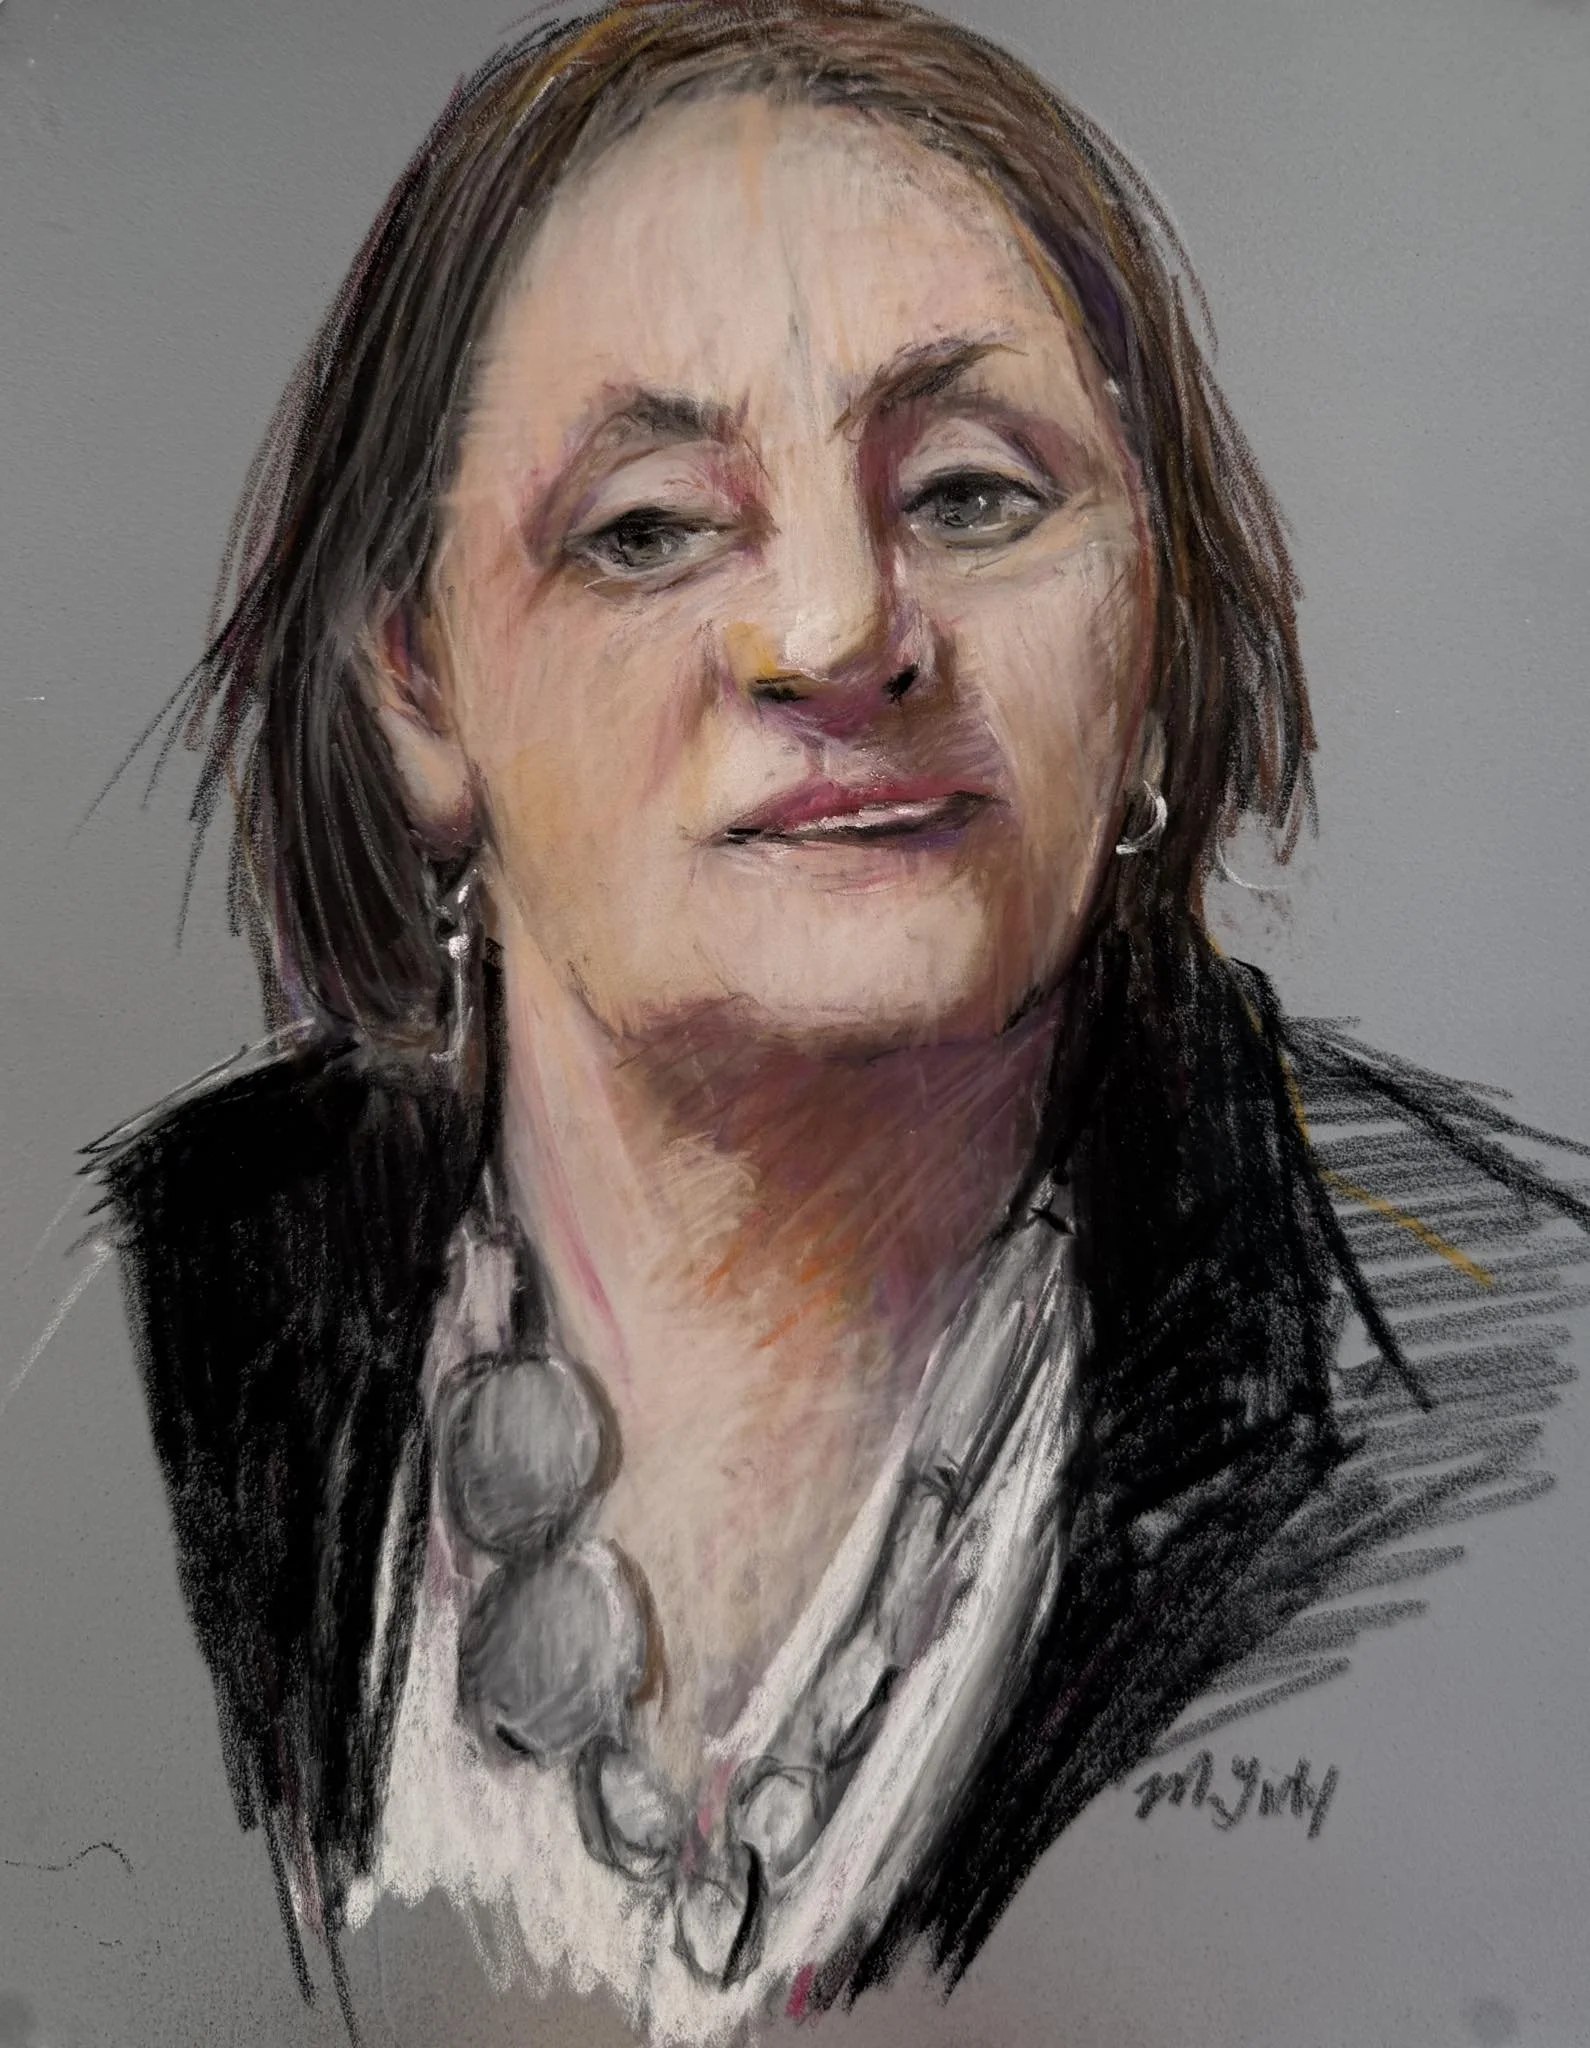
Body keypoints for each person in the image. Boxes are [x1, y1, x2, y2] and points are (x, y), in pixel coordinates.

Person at [91, 1, 1590, 2038]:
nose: (833, 633)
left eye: (971, 496)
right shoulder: (115, 1350)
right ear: (418, 687)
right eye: (646, 527)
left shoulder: (1514, 1399)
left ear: (1155, 631)